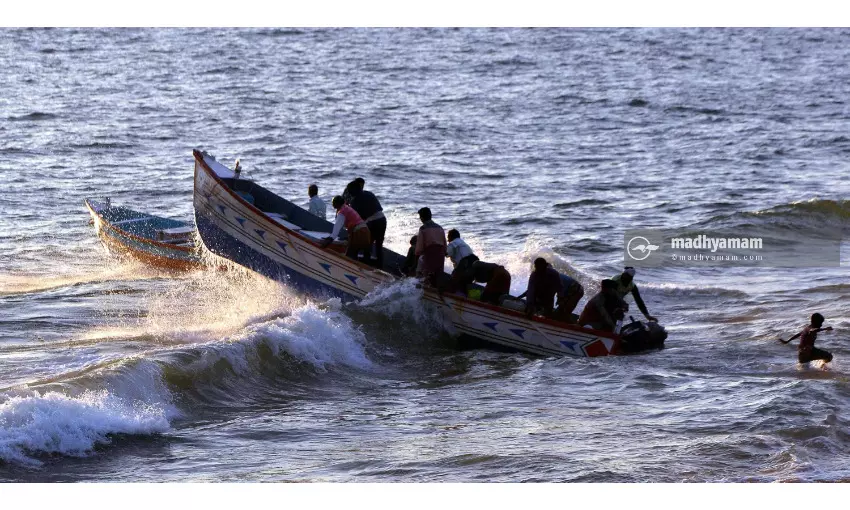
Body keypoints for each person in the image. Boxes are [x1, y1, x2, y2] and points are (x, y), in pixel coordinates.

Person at [519, 258, 584, 320]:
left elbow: (557, 289)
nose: (540, 271)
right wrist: (528, 304)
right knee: (558, 312)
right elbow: (531, 290)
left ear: (546, 267)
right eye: (538, 268)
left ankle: (568, 323)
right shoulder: (534, 275)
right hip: (566, 290)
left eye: (542, 269)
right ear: (535, 267)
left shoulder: (552, 274)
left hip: (576, 289)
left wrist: (559, 299)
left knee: (563, 313)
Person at [348, 179, 386, 270]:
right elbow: (379, 208)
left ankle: (366, 266)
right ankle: (380, 267)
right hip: (382, 219)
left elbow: (356, 218)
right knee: (379, 245)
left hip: (372, 222)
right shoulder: (369, 193)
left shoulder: (355, 201)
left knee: (367, 245)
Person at [321, 196, 371, 264]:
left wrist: (326, 243)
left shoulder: (342, 212)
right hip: (366, 232)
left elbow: (336, 231)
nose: (332, 204)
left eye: (333, 203)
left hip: (359, 233)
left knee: (349, 256)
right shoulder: (347, 208)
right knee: (356, 254)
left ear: (336, 204)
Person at [414, 207, 447, 286]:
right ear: (431, 215)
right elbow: (445, 245)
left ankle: (418, 284)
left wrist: (417, 254)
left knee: (420, 265)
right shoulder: (440, 228)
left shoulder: (423, 228)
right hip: (440, 256)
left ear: (421, 218)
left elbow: (419, 248)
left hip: (429, 255)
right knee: (437, 275)